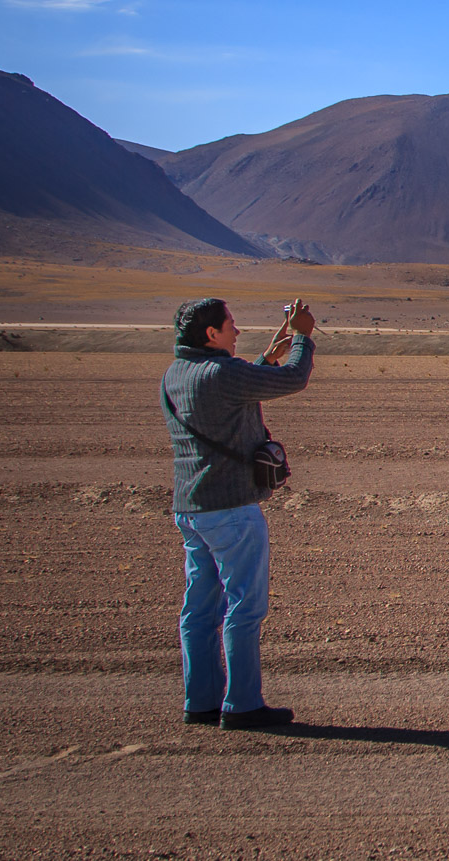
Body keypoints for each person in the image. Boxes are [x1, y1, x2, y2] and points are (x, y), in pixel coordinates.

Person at [161, 296, 315, 730]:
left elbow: (231, 394)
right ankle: (243, 704)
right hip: (231, 509)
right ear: (211, 335)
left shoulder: (175, 375)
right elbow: (294, 379)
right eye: (230, 325)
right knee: (244, 607)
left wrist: (267, 355)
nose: (236, 331)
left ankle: (201, 700)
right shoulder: (222, 373)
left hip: (191, 508)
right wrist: (303, 337)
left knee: (199, 609)